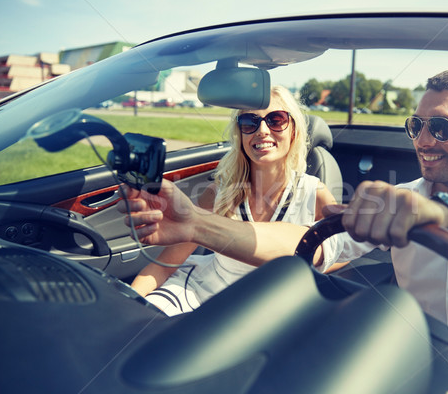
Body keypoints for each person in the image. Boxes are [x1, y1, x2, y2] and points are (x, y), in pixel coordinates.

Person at [120, 68, 448, 391]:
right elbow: (307, 242)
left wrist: (443, 214)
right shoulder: (392, 200)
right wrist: (198, 224)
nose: (421, 140)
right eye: (415, 125)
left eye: (440, 127)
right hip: (406, 363)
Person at [128, 85, 341, 316]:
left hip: (271, 307)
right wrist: (127, 304)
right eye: (250, 122)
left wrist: (314, 264)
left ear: (294, 131)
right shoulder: (218, 193)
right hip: (200, 292)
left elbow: (340, 250)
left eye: (276, 120)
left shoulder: (313, 192)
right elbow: (166, 264)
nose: (262, 130)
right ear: (240, 135)